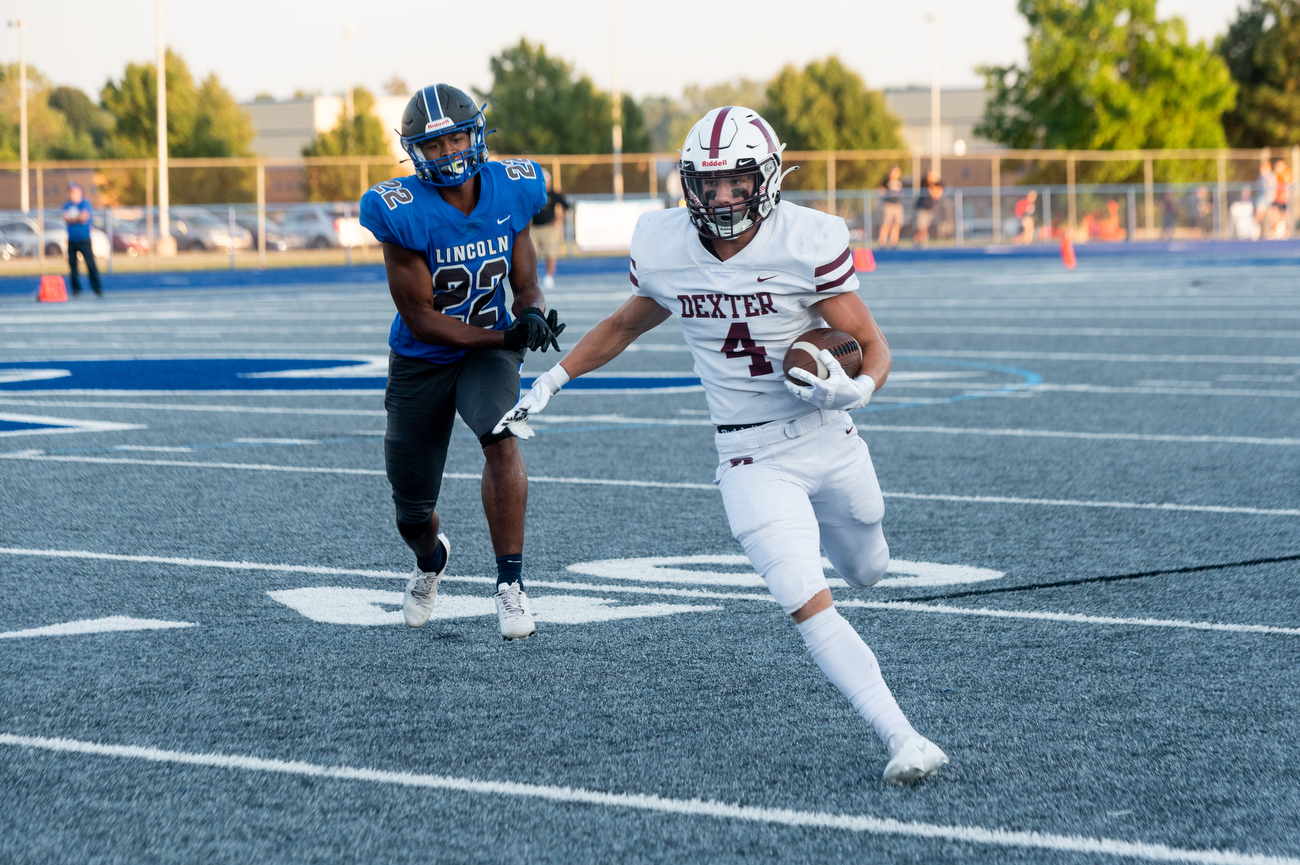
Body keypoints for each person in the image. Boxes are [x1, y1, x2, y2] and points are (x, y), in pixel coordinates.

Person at [495, 106, 948, 784]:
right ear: (688, 184)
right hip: (748, 454)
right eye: (708, 183)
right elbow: (625, 323)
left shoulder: (807, 239)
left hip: (828, 435)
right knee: (801, 592)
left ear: (767, 178)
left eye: (738, 181)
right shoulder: (665, 245)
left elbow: (871, 343)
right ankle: (902, 735)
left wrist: (857, 389)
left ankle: (856, 558)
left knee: (868, 569)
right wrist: (552, 380)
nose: (723, 196)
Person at [359, 83, 565, 641]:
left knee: (500, 432)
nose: (447, 153)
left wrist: (532, 315)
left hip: (489, 354)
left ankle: (510, 584)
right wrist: (503, 336)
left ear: (476, 135)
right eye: (434, 145)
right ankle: (431, 560)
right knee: (411, 511)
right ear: (415, 152)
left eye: (455, 139)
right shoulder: (399, 210)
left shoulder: (510, 190)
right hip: (423, 358)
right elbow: (421, 318)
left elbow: (525, 283)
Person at [531, 169, 570, 289]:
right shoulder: (533, 193)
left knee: (551, 253)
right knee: (530, 255)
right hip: (533, 229)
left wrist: (558, 220)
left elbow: (566, 206)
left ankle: (549, 277)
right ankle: (531, 279)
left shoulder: (553, 194)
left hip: (548, 228)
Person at [62, 182, 102, 297]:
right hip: (72, 239)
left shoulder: (85, 203)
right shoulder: (67, 204)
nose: (72, 194)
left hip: (84, 239)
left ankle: (97, 288)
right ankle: (76, 289)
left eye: (74, 191)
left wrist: (73, 218)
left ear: (79, 191)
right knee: (73, 266)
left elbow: (83, 217)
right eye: (71, 192)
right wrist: (77, 218)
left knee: (90, 264)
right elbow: (66, 218)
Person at [876, 165, 904, 248]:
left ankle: (894, 243)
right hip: (888, 205)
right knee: (886, 224)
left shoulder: (900, 182)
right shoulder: (886, 181)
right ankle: (882, 243)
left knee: (896, 225)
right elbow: (881, 191)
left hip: (897, 205)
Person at [913, 171, 941, 246]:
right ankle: (916, 241)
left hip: (929, 208)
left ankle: (923, 243)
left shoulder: (935, 184)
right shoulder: (924, 183)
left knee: (925, 228)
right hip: (922, 208)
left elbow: (936, 194)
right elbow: (932, 191)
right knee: (921, 228)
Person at [1272, 158, 1292, 239]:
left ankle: (1287, 230)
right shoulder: (1276, 174)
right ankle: (1278, 229)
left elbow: (1288, 183)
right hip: (1277, 198)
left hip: (1284, 198)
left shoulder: (1287, 172)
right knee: (1274, 212)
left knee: (1285, 214)